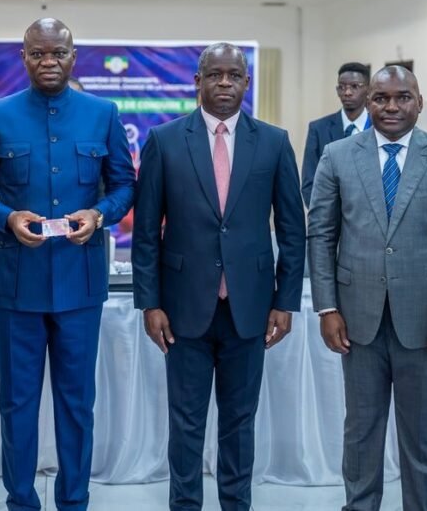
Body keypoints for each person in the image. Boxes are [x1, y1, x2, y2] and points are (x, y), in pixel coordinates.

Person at [0, 18, 136, 511]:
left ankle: (74, 501)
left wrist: (99, 214)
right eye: (38, 53)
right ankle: (20, 501)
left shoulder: (102, 113)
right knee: (17, 403)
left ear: (73, 56)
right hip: (18, 285)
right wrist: (5, 217)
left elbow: (125, 185)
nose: (49, 61)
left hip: (81, 284)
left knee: (77, 404)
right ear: (24, 57)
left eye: (58, 53)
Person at [132, 42, 305, 511]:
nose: (224, 83)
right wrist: (150, 302)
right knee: (185, 423)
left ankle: (236, 504)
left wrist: (285, 302)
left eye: (233, 75)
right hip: (182, 309)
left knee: (239, 422)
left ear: (247, 82)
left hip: (250, 309)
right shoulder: (165, 140)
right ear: (198, 81)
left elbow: (293, 230)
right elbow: (146, 232)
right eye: (215, 74)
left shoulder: (273, 142)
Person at [308, 65, 427, 511]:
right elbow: (321, 236)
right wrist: (326, 307)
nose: (391, 106)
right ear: (368, 103)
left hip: (426, 322)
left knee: (421, 432)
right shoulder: (337, 155)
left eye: (402, 97)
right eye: (381, 98)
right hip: (356, 321)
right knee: (361, 430)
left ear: (419, 102)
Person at [301, 62, 371, 206]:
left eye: (354, 86)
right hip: (329, 216)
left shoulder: (379, 128)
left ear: (368, 90)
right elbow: (309, 183)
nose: (347, 92)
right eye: (342, 87)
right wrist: (324, 215)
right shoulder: (319, 129)